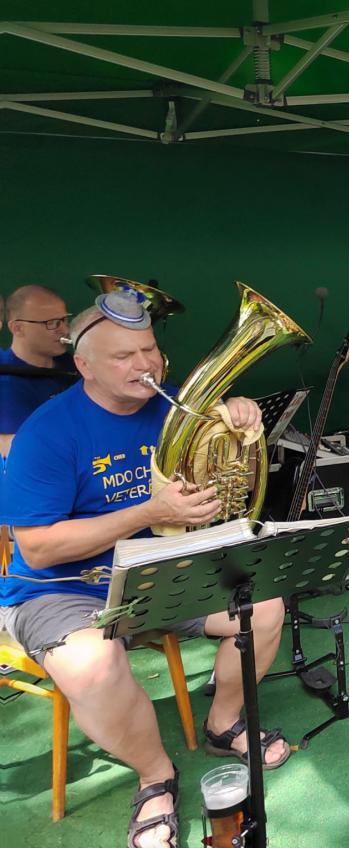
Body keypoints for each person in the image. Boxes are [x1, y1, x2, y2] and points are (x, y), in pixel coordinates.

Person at [0, 289, 290, 848]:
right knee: (92, 665)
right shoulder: (47, 432)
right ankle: (155, 776)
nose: (145, 365)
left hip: (158, 567)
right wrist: (148, 512)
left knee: (264, 605)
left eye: (149, 349)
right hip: (63, 589)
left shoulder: (177, 407)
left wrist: (237, 416)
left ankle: (224, 722)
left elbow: (220, 468)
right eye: (123, 356)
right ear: (83, 365)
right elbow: (37, 549)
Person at [1, 284, 76, 457]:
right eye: (52, 323)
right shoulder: (7, 384)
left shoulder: (68, 361)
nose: (65, 330)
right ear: (18, 328)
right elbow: (25, 450)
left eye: (64, 320)